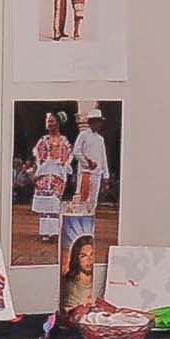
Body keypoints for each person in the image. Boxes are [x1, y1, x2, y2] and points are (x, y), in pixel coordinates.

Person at [62, 105, 109, 258]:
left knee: (93, 203)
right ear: (90, 122)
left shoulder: (100, 139)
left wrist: (106, 176)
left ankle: (89, 230)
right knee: (84, 200)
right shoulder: (83, 135)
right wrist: (87, 161)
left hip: (97, 174)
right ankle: (79, 232)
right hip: (86, 173)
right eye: (95, 121)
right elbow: (76, 152)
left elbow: (103, 158)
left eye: (99, 122)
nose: (98, 124)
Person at [28, 111, 71, 241]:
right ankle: (45, 233)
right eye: (48, 121)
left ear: (58, 123)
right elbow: (37, 157)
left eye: (51, 121)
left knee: (54, 201)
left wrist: (62, 167)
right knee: (45, 203)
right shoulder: (43, 140)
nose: (49, 124)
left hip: (57, 173)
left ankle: (54, 232)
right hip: (44, 173)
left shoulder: (64, 140)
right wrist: (35, 172)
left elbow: (67, 157)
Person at [59, 233, 99, 312]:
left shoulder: (100, 281)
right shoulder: (67, 283)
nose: (89, 260)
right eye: (83, 256)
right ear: (76, 258)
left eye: (92, 254)